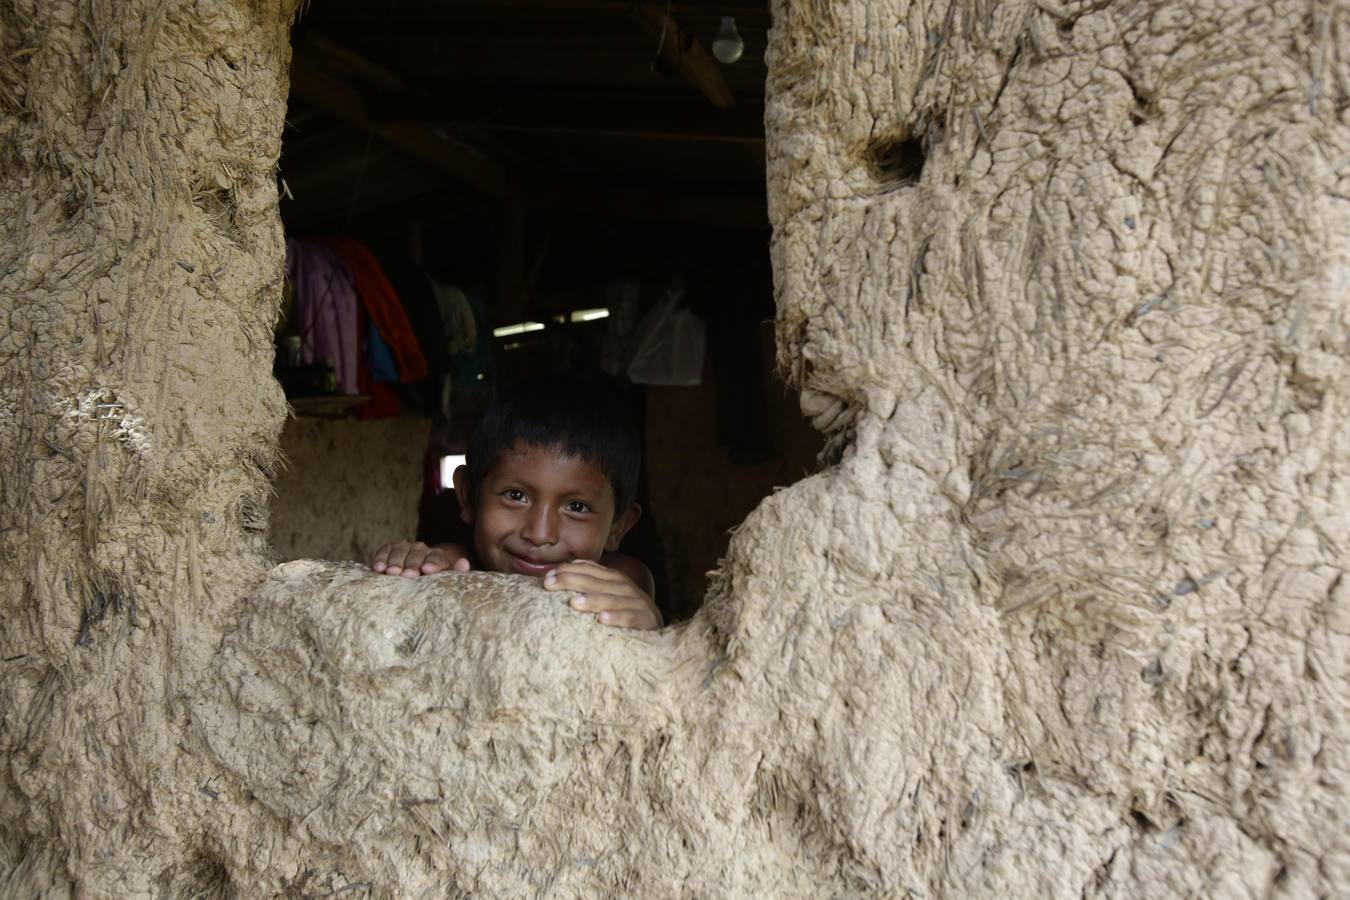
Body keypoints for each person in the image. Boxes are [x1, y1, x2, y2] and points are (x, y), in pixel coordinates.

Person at [371, 373, 661, 630]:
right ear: (468, 497)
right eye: (516, 495)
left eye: (576, 507)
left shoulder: (621, 581)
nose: (539, 533)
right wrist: (409, 565)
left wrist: (651, 621)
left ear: (618, 527)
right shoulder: (453, 565)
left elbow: (644, 643)